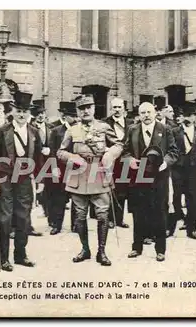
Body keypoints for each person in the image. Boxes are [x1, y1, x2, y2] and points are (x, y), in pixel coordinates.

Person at [57, 94, 123, 266]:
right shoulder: (72, 130)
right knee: (79, 216)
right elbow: (60, 152)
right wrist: (72, 157)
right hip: (78, 176)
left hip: (99, 174)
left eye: (88, 107)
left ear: (94, 108)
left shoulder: (104, 127)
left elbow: (119, 145)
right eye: (81, 108)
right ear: (78, 111)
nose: (85, 111)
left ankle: (101, 251)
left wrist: (110, 154)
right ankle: (85, 249)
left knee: (102, 215)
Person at [0, 92, 43, 272]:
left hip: (25, 179)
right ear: (12, 111)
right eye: (18, 111)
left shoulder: (34, 132)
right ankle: (3, 259)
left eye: (25, 111)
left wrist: (40, 179)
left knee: (23, 218)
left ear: (29, 113)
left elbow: (38, 158)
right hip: (4, 178)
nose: (21, 114)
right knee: (4, 219)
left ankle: (20, 255)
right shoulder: (2, 131)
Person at [123, 102, 178, 261]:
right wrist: (130, 160)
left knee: (160, 212)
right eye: (142, 113)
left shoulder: (165, 129)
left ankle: (160, 249)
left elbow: (174, 151)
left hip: (159, 177)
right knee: (139, 212)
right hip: (138, 176)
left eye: (149, 112)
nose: (146, 115)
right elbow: (125, 151)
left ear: (155, 113)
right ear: (139, 115)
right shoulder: (133, 130)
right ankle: (137, 247)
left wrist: (165, 162)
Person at [168, 101, 196, 239]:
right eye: (185, 115)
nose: (188, 118)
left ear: (195, 117)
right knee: (175, 198)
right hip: (177, 169)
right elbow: (170, 150)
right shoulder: (174, 132)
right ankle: (171, 227)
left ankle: (191, 229)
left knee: (192, 198)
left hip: (193, 170)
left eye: (191, 115)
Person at [48, 101, 79, 235]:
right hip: (61, 169)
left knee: (77, 198)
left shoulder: (80, 130)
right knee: (59, 198)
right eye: (72, 115)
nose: (76, 118)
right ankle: (57, 225)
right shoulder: (56, 131)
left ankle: (76, 225)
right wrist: (54, 168)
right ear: (66, 117)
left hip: (77, 169)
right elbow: (52, 151)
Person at [103, 97, 134, 229]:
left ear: (124, 108)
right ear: (111, 108)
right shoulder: (105, 123)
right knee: (111, 189)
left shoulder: (131, 123)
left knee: (123, 190)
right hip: (111, 161)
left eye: (119, 107)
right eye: (114, 107)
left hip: (126, 161)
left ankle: (119, 219)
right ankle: (110, 219)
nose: (116, 110)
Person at [30, 99, 52, 224]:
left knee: (49, 189)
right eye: (38, 113)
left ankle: (49, 215)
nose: (40, 115)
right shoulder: (31, 128)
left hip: (48, 163)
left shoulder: (50, 127)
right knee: (36, 189)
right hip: (35, 163)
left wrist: (50, 150)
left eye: (42, 112)